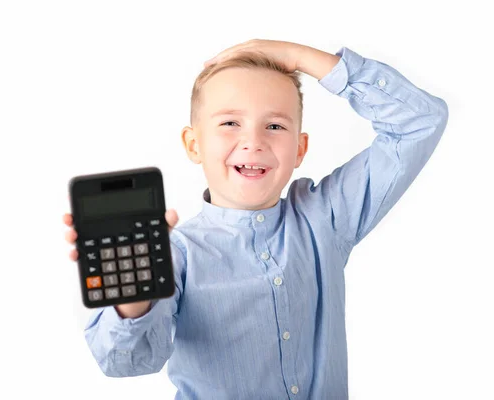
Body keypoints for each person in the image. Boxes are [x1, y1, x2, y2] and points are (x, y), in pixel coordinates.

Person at [63, 39, 449, 399]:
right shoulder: (175, 255)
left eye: (275, 126)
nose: (254, 141)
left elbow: (419, 121)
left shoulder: (326, 217)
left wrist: (299, 57)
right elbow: (127, 363)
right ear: (193, 144)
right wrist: (136, 295)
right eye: (230, 122)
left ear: (300, 148)